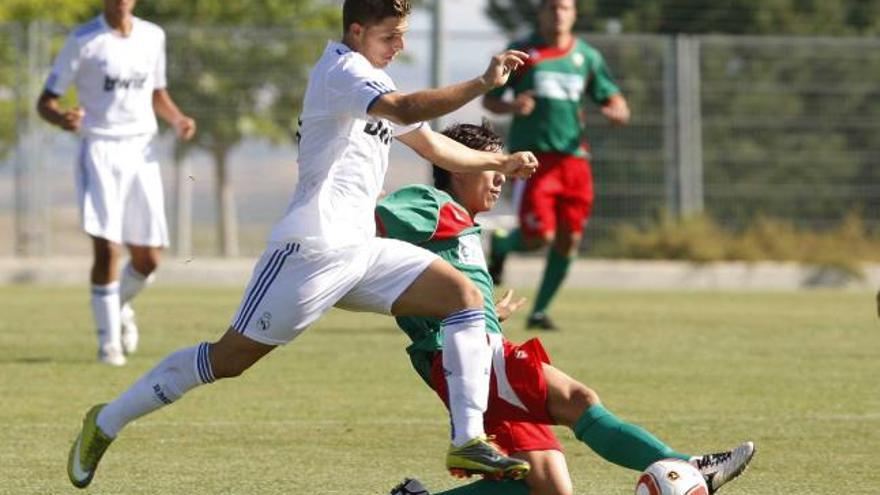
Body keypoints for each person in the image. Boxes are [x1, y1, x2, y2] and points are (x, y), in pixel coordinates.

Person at [66, 0, 540, 489]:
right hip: (310, 251)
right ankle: (106, 421)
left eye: (402, 35)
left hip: (361, 251)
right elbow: (404, 109)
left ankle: (468, 439)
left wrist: (496, 166)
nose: (400, 46)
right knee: (226, 360)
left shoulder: (374, 76)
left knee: (461, 297)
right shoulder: (342, 70)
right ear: (356, 31)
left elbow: (433, 145)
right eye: (390, 36)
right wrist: (482, 84)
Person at [376, 123, 755, 495]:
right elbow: (373, 221)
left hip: (476, 351)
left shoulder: (467, 225)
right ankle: (691, 466)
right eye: (492, 167)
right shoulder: (431, 203)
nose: (501, 179)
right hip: (464, 357)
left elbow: (444, 293)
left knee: (549, 487)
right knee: (579, 401)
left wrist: (490, 312)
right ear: (459, 165)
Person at [36, 0, 197, 366]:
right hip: (100, 149)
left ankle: (117, 305)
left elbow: (156, 92)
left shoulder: (154, 36)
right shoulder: (83, 40)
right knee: (108, 249)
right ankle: (109, 345)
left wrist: (177, 119)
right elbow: (45, 102)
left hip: (142, 150)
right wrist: (64, 119)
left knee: (149, 258)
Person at [482, 0, 631, 331]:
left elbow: (612, 97)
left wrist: (618, 109)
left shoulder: (587, 57)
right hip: (533, 160)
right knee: (540, 237)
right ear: (541, 13)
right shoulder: (522, 52)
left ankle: (539, 312)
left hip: (575, 161)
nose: (558, 13)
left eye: (565, 7)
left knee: (569, 239)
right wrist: (512, 106)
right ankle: (503, 243)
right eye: (551, 7)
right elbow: (490, 99)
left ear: (574, 13)